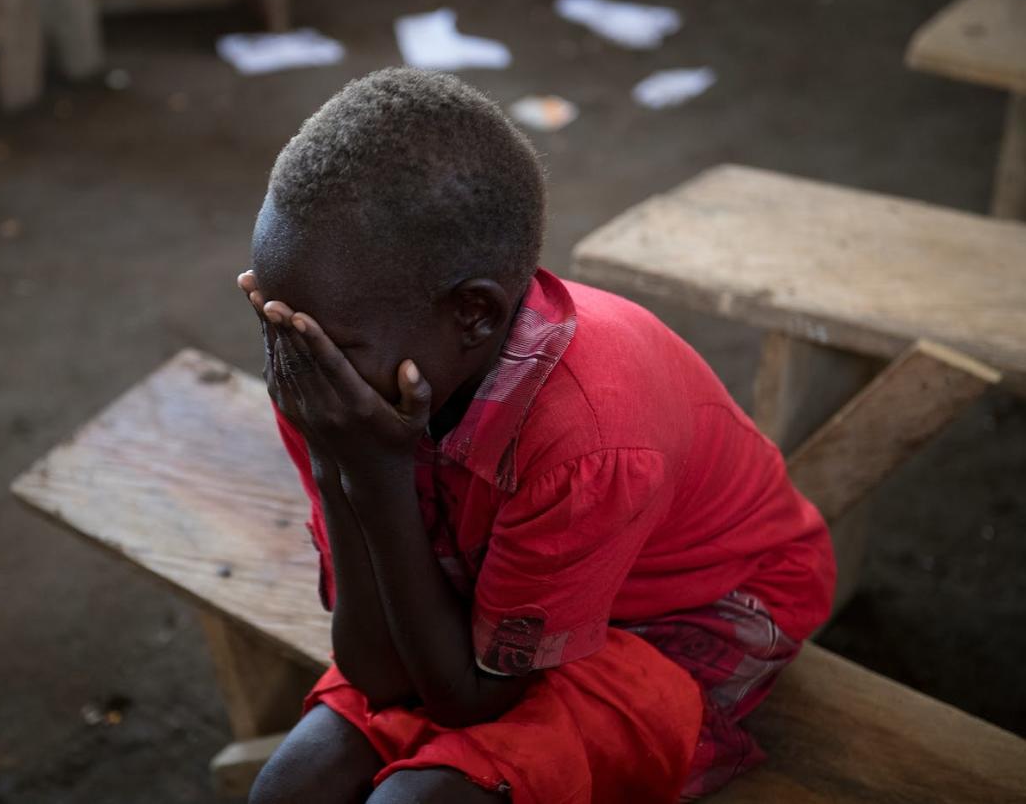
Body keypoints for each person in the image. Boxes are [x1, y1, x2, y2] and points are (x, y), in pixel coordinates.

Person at [235, 67, 835, 804]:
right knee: (284, 792)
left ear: (475, 315)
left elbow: (469, 701)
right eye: (272, 317)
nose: (289, 358)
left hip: (685, 610)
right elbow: (376, 672)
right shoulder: (330, 384)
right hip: (472, 592)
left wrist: (375, 473)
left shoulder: (588, 442)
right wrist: (342, 463)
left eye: (318, 338)